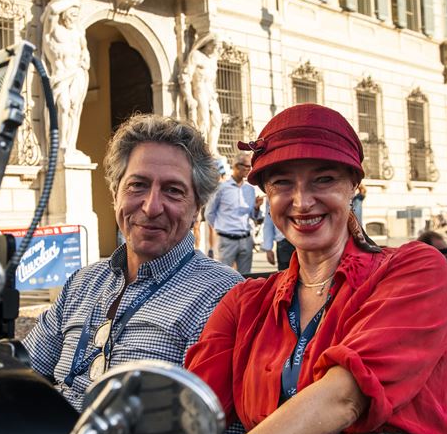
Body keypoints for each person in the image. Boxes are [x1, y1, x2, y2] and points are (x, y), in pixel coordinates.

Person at [172, 104, 447, 434]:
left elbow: (346, 396)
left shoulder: (415, 268)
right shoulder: (244, 301)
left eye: (324, 179)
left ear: (354, 186)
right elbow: (193, 416)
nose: (302, 201)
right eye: (282, 183)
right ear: (267, 196)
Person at [23, 114, 242, 410]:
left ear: (197, 209)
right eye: (137, 185)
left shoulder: (222, 296)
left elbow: (209, 429)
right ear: (115, 194)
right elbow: (22, 372)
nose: (151, 207)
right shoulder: (82, 283)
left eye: (173, 191)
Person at [42, 0, 90, 155]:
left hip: (76, 73)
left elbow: (85, 53)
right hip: (60, 75)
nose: (74, 18)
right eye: (71, 14)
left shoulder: (77, 33)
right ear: (65, 14)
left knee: (73, 109)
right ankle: (60, 144)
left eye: (76, 15)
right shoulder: (52, 32)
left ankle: (69, 144)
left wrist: (85, 60)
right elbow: (53, 10)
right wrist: (73, 1)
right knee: (63, 105)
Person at [206, 152, 264, 274]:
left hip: (246, 240)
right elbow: (209, 213)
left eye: (250, 167)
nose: (249, 169)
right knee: (224, 278)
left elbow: (253, 216)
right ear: (236, 166)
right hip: (227, 241)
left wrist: (256, 208)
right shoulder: (221, 188)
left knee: (245, 278)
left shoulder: (249, 189)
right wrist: (221, 229)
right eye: (246, 166)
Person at [179, 33, 223, 155]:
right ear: (207, 43)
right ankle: (202, 151)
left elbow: (213, 81)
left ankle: (212, 151)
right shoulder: (196, 55)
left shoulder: (213, 59)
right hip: (200, 90)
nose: (216, 49)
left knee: (217, 121)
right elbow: (185, 76)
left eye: (218, 46)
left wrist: (214, 94)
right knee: (203, 121)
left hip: (211, 94)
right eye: (214, 45)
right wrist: (189, 97)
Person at [261, 197, 293, 271]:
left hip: (304, 240)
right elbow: (268, 222)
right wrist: (268, 248)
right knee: (285, 275)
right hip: (283, 242)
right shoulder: (272, 195)